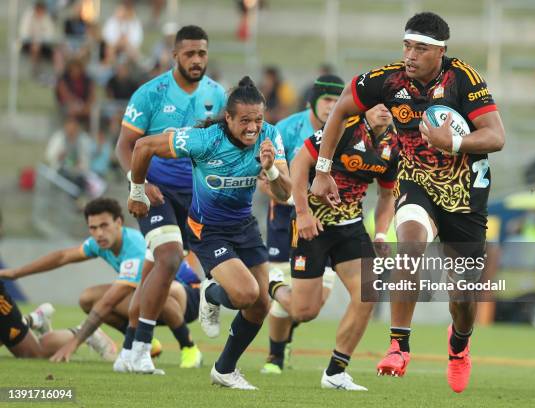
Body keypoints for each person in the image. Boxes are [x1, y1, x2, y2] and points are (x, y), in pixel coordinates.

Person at [310, 12, 505, 393]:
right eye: (407, 45)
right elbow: (341, 110)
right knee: (410, 247)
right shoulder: (388, 80)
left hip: (464, 194)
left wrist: (455, 143)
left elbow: (496, 136)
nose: (410, 55)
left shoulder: (464, 80)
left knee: (463, 297)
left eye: (421, 48)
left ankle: (459, 345)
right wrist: (322, 169)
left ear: (441, 51)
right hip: (415, 182)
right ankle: (399, 344)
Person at [127, 76, 291, 389]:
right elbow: (143, 145)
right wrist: (137, 191)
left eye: (257, 119)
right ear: (227, 118)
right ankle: (210, 291)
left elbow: (284, 194)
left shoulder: (270, 136)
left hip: (244, 227)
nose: (253, 128)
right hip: (208, 230)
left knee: (260, 305)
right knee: (244, 294)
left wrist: (270, 170)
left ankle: (225, 370)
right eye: (244, 121)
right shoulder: (204, 140)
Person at [115, 25, 225, 374]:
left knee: (153, 273)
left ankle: (128, 350)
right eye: (190, 53)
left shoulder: (216, 94)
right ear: (175, 55)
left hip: (195, 196)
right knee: (169, 258)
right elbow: (124, 145)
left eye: (202, 53)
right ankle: (145, 350)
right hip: (155, 192)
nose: (196, 60)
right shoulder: (151, 93)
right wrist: (139, 183)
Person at [267, 104, 398, 390]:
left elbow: (387, 196)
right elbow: (300, 162)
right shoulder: (344, 127)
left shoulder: (394, 144)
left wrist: (381, 234)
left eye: (391, 105)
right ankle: (272, 284)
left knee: (368, 293)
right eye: (379, 103)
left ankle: (336, 372)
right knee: (304, 312)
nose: (385, 110)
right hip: (312, 224)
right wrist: (302, 213)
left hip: (350, 226)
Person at [0, 198, 202, 368]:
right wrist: (17, 272)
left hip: (188, 297)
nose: (98, 233)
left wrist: (74, 344)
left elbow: (109, 302)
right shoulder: (99, 243)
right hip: (151, 299)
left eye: (104, 226)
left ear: (119, 223)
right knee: (88, 298)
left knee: (154, 291)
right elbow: (62, 256)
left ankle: (189, 348)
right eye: (93, 228)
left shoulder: (135, 247)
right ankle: (147, 341)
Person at [259, 74, 344, 374]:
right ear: (312, 101)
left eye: (337, 101)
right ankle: (275, 357)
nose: (332, 107)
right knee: (295, 302)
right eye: (327, 100)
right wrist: (294, 201)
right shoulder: (287, 129)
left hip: (329, 218)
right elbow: (263, 180)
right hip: (286, 218)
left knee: (309, 307)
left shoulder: (345, 128)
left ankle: (269, 285)